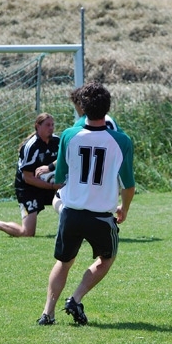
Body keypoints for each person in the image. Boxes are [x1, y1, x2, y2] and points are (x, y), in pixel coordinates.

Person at [37, 82, 135, 325]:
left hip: (71, 212)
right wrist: (124, 208)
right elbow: (128, 185)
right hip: (101, 215)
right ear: (108, 107)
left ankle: (47, 314)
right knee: (106, 259)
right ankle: (75, 298)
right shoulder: (122, 140)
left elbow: (60, 177)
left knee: (64, 262)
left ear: (81, 108)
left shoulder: (69, 135)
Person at [34, 86, 121, 214]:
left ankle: (70, 218)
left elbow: (70, 156)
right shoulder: (110, 120)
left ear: (82, 105)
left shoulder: (82, 125)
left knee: (58, 198)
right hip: (112, 174)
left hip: (91, 178)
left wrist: (50, 167)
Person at [0, 113, 62, 238]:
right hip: (28, 189)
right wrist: (52, 186)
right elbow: (28, 178)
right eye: (47, 125)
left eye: (52, 125)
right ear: (37, 126)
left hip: (48, 185)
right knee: (27, 233)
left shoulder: (57, 141)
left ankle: (69, 232)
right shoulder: (31, 146)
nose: (51, 128)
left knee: (70, 199)